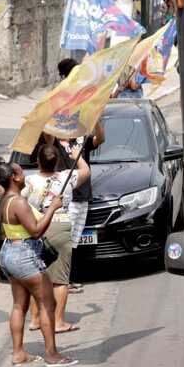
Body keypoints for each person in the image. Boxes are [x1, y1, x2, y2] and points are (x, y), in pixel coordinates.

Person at [0, 161, 76, 366]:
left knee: (20, 305)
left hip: (9, 252)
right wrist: (52, 208)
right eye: (20, 172)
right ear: (13, 178)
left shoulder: (4, 200)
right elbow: (36, 231)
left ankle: (18, 353)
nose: (25, 175)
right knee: (47, 303)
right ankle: (52, 355)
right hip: (24, 255)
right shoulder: (18, 202)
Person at [23, 144, 89, 334]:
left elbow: (17, 199)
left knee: (37, 276)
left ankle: (35, 319)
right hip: (60, 225)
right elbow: (85, 171)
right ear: (57, 161)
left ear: (38, 161)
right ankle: (58, 321)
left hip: (36, 227)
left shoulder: (30, 181)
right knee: (60, 280)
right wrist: (77, 155)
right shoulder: (67, 177)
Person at [56, 60, 105, 293]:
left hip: (83, 193)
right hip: (68, 193)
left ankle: (70, 278)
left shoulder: (84, 133)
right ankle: (63, 279)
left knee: (75, 239)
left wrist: (97, 117)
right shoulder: (59, 138)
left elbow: (99, 140)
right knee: (66, 239)